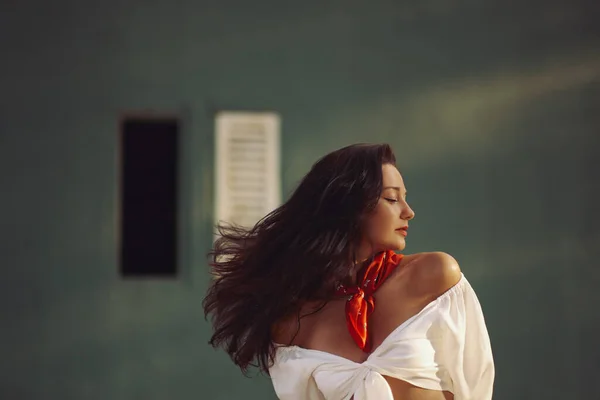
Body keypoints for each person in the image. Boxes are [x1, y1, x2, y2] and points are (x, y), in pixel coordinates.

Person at [203, 143, 494, 399]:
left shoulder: (434, 275)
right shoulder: (293, 321)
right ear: (350, 206)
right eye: (392, 199)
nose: (408, 211)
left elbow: (476, 384)